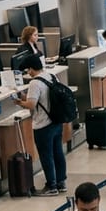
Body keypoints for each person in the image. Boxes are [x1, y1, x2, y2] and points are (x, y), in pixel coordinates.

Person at [14, 55, 67, 195]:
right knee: (58, 153)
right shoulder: (52, 76)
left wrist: (19, 102)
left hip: (43, 125)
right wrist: (26, 97)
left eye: (28, 70)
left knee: (46, 155)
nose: (28, 73)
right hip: (56, 122)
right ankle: (61, 182)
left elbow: (31, 105)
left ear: (31, 68)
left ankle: (51, 186)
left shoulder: (35, 83)